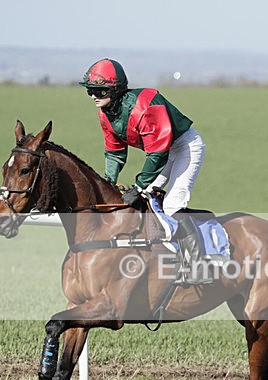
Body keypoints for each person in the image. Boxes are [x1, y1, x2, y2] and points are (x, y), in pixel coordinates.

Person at [79, 58, 210, 284]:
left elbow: (157, 153)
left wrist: (139, 186)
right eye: (89, 91)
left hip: (185, 147)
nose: (93, 96)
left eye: (99, 90)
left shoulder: (145, 105)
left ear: (115, 90)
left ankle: (201, 267)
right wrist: (108, 181)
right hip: (164, 151)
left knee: (172, 204)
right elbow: (114, 152)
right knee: (145, 201)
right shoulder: (106, 113)